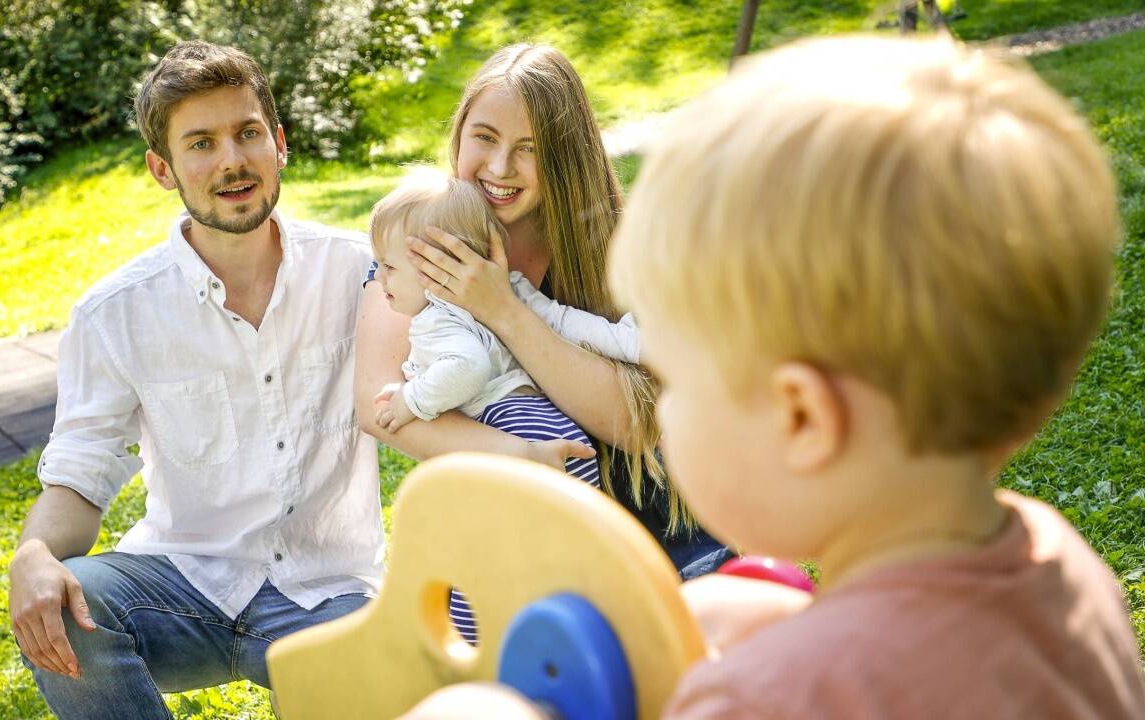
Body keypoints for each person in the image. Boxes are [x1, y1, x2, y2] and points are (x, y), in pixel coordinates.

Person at [405, 35, 1145, 719]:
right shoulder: (1065, 570)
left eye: (681, 383)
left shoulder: (766, 697)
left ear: (800, 420)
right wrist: (795, 624)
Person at [7, 41, 382, 719]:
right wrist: (33, 554)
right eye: (201, 143)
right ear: (163, 168)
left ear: (280, 144)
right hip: (182, 587)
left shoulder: (359, 273)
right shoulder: (113, 314)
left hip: (332, 592)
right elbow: (81, 474)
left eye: (247, 133)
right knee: (65, 604)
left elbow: (437, 386)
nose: (233, 161)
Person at [355, 43, 729, 579]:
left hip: (660, 533)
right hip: (523, 537)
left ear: (563, 153)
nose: (500, 167)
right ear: (459, 133)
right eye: (484, 138)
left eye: (528, 147)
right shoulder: (419, 243)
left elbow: (635, 425)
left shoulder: (618, 246)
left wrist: (505, 311)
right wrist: (518, 455)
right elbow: (381, 408)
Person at [369, 168, 641, 642]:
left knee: (480, 561)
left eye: (388, 267)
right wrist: (628, 341)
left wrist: (412, 398)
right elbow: (566, 322)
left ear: (433, 268)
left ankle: (483, 647)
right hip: (554, 427)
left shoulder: (436, 319)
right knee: (562, 566)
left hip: (514, 427)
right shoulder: (506, 285)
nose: (380, 278)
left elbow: (467, 367)